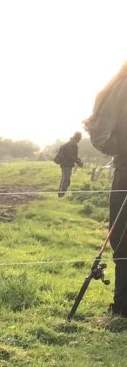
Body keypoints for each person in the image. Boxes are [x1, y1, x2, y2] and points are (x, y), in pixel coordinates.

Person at [86, 61, 127, 317]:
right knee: (123, 241)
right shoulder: (120, 88)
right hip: (126, 173)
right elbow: (102, 137)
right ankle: (123, 307)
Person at [53, 132, 83, 197]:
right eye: (80, 138)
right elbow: (70, 155)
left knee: (65, 178)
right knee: (66, 179)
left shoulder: (71, 143)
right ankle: (61, 194)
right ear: (77, 137)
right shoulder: (72, 144)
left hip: (65, 163)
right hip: (67, 164)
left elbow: (71, 155)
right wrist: (78, 162)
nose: (80, 139)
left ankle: (61, 193)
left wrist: (78, 159)